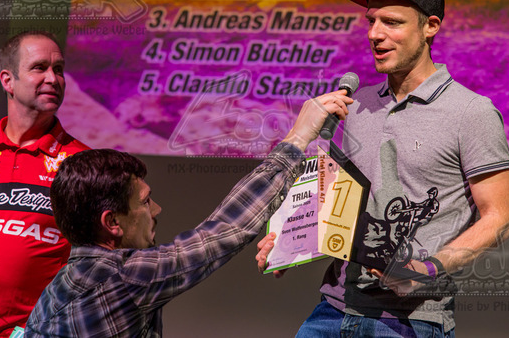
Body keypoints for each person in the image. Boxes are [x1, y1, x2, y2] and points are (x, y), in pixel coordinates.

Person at [256, 0, 509, 337]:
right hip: (332, 309)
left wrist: (426, 269)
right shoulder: (357, 104)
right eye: (371, 21)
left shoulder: (471, 112)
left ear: (430, 26)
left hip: (411, 319)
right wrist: (291, 241)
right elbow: (338, 200)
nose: (375, 34)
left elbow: (500, 217)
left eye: (392, 22)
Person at [24, 89, 353, 337]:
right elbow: (223, 232)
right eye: (144, 202)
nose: (157, 210)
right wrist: (297, 138)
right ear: (112, 222)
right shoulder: (125, 277)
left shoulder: (51, 295)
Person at [0, 31, 89, 336]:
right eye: (39, 68)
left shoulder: (81, 164)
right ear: (7, 81)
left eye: (59, 69)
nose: (53, 78)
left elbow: (97, 263)